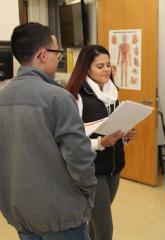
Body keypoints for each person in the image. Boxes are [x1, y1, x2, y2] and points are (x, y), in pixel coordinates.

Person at [0, 22, 97, 240]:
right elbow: (79, 159)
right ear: (43, 54)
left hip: (21, 213)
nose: (58, 58)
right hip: (62, 216)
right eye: (57, 53)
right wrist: (89, 194)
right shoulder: (59, 98)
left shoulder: (2, 97)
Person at [65, 44, 135, 240]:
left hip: (114, 165)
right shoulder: (76, 96)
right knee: (105, 228)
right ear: (86, 68)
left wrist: (124, 135)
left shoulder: (112, 93)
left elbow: (113, 126)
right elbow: (72, 142)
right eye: (100, 66)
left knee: (97, 219)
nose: (106, 70)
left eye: (108, 65)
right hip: (92, 169)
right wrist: (100, 143)